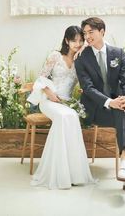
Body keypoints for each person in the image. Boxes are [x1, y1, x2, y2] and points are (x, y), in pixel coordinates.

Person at [74, 17, 125, 196]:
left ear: (102, 31)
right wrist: (110, 102)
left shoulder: (118, 53)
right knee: (120, 110)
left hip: (115, 109)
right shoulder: (81, 58)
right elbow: (88, 88)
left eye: (90, 32)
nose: (87, 36)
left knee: (122, 110)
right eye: (85, 33)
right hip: (93, 110)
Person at [27, 26, 94, 189]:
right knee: (65, 117)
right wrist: (49, 93)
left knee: (71, 116)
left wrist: (83, 89)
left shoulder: (81, 61)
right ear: (66, 40)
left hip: (67, 103)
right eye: (74, 40)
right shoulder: (55, 56)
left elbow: (86, 82)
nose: (77, 44)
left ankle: (73, 173)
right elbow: (41, 78)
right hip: (49, 101)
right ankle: (56, 172)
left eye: (80, 40)